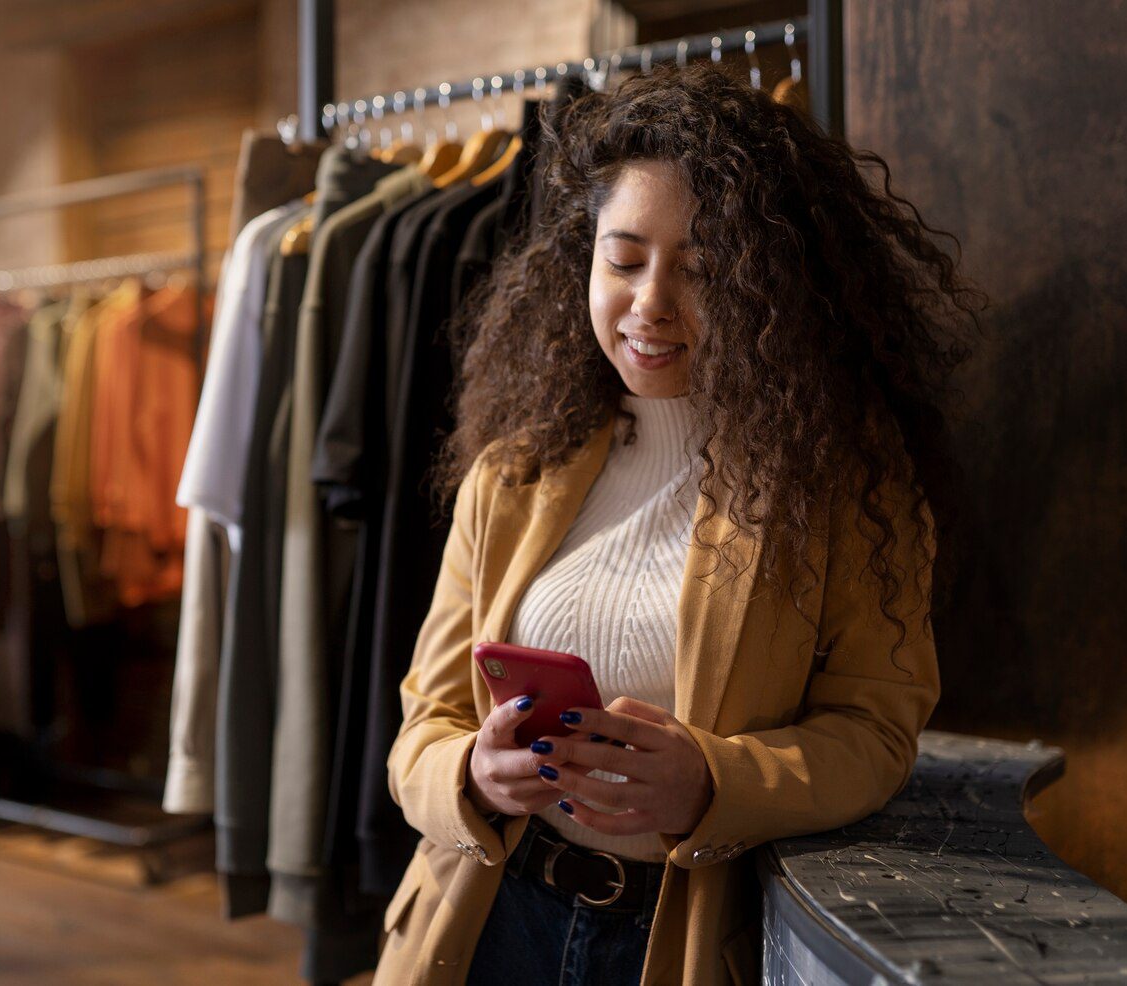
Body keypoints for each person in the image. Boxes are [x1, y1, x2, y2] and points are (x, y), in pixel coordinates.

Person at [376, 61, 984, 985]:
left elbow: (874, 733)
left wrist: (713, 780)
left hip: (683, 938)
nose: (649, 304)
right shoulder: (513, 473)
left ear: (773, 290)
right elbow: (425, 722)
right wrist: (470, 773)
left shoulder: (845, 485)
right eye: (622, 260)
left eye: (702, 272)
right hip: (492, 918)